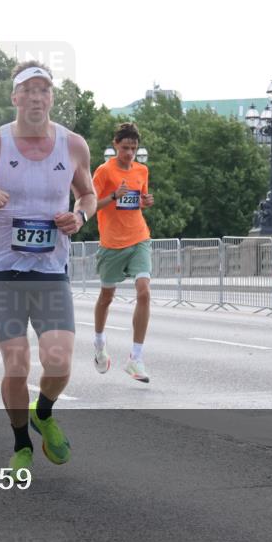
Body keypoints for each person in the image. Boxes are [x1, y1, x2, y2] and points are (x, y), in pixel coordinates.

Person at [0, 61, 96, 480]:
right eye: (28, 90)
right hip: (4, 272)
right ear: (15, 97)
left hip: (51, 270)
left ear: (52, 97)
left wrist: (80, 217)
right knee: (16, 364)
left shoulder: (73, 145)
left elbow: (88, 194)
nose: (36, 97)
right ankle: (21, 445)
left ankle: (42, 412)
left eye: (43, 90)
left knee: (59, 362)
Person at [92, 122, 155, 383]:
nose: (129, 153)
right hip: (111, 243)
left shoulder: (142, 170)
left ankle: (135, 358)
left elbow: (138, 201)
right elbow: (90, 205)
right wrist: (113, 197)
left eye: (133, 148)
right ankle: (99, 343)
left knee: (144, 291)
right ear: (115, 145)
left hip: (139, 237)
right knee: (107, 297)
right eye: (125, 147)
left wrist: (145, 202)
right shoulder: (104, 171)